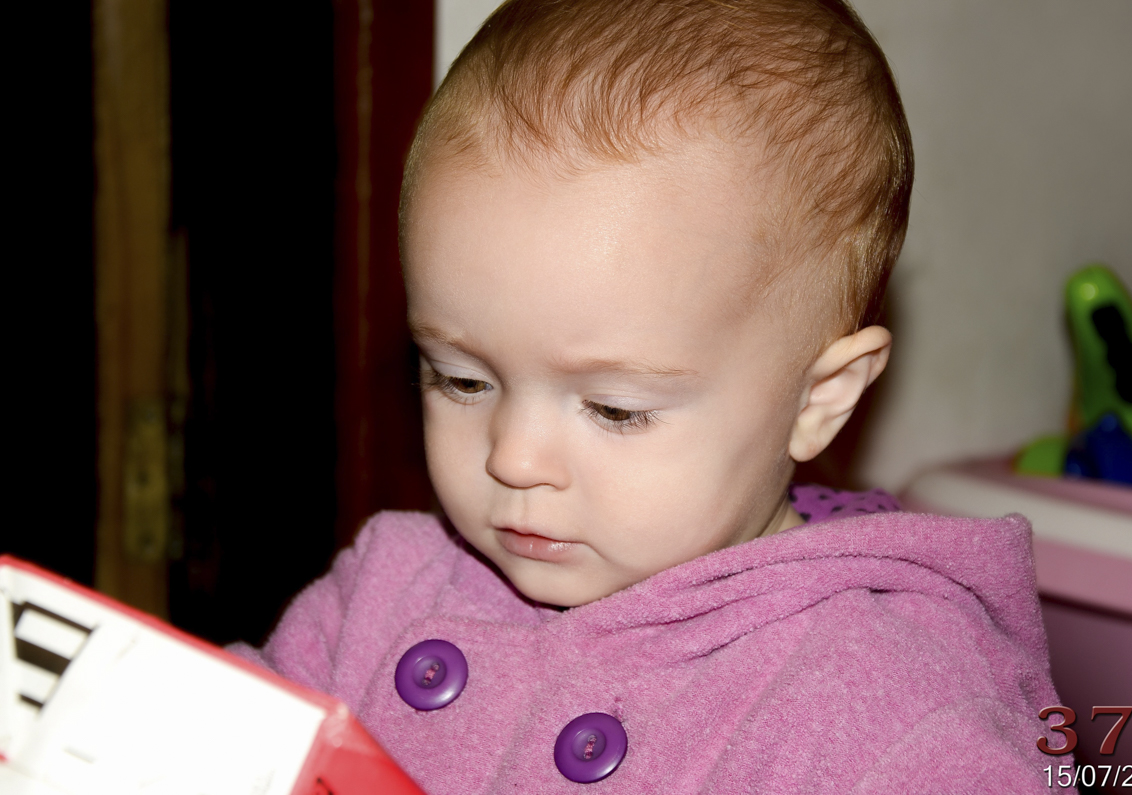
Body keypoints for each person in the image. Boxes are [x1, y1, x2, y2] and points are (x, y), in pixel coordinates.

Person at [232, 1, 1073, 791]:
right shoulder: (388, 593)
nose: (512, 457)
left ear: (820, 398)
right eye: (461, 378)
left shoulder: (890, 708)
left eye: (615, 408)